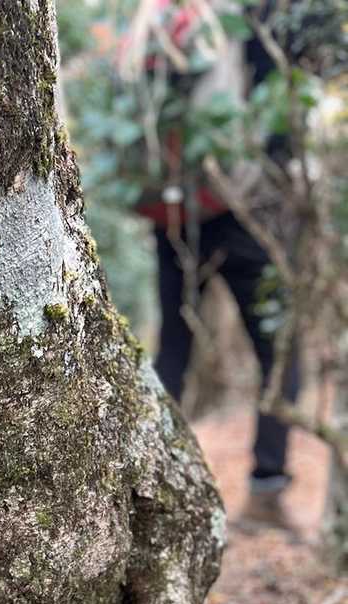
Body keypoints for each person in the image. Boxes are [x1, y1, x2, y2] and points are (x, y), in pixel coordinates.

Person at [120, 0, 301, 529]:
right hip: (236, 209)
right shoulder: (236, 19)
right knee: (277, 350)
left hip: (172, 215)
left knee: (173, 350)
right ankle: (267, 488)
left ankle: (148, 486)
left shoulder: (150, 21)